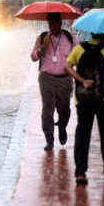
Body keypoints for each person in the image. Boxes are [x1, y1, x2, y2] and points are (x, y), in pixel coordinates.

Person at [66, 33, 104, 185]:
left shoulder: (79, 49)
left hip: (82, 98)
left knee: (83, 133)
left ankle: (80, 173)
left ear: (91, 33)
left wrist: (81, 80)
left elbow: (67, 66)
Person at [31, 12, 77, 151]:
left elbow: (78, 55)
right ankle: (49, 139)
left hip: (65, 79)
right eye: (49, 24)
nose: (52, 26)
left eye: (54, 23)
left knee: (64, 109)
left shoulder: (70, 37)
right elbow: (33, 57)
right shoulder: (42, 37)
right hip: (46, 78)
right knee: (47, 110)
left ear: (60, 23)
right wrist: (41, 48)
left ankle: (62, 126)